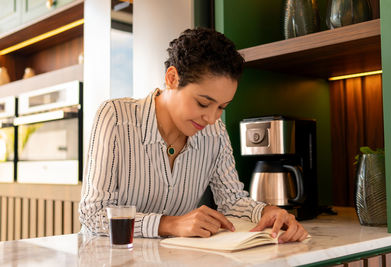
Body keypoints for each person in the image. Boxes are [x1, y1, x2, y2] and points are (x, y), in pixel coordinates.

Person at [79, 28, 309, 243]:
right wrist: (169, 224)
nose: (211, 118)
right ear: (172, 78)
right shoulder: (116, 117)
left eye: (222, 107)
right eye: (203, 103)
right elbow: (93, 214)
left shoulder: (214, 132)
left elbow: (232, 201)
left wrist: (268, 211)